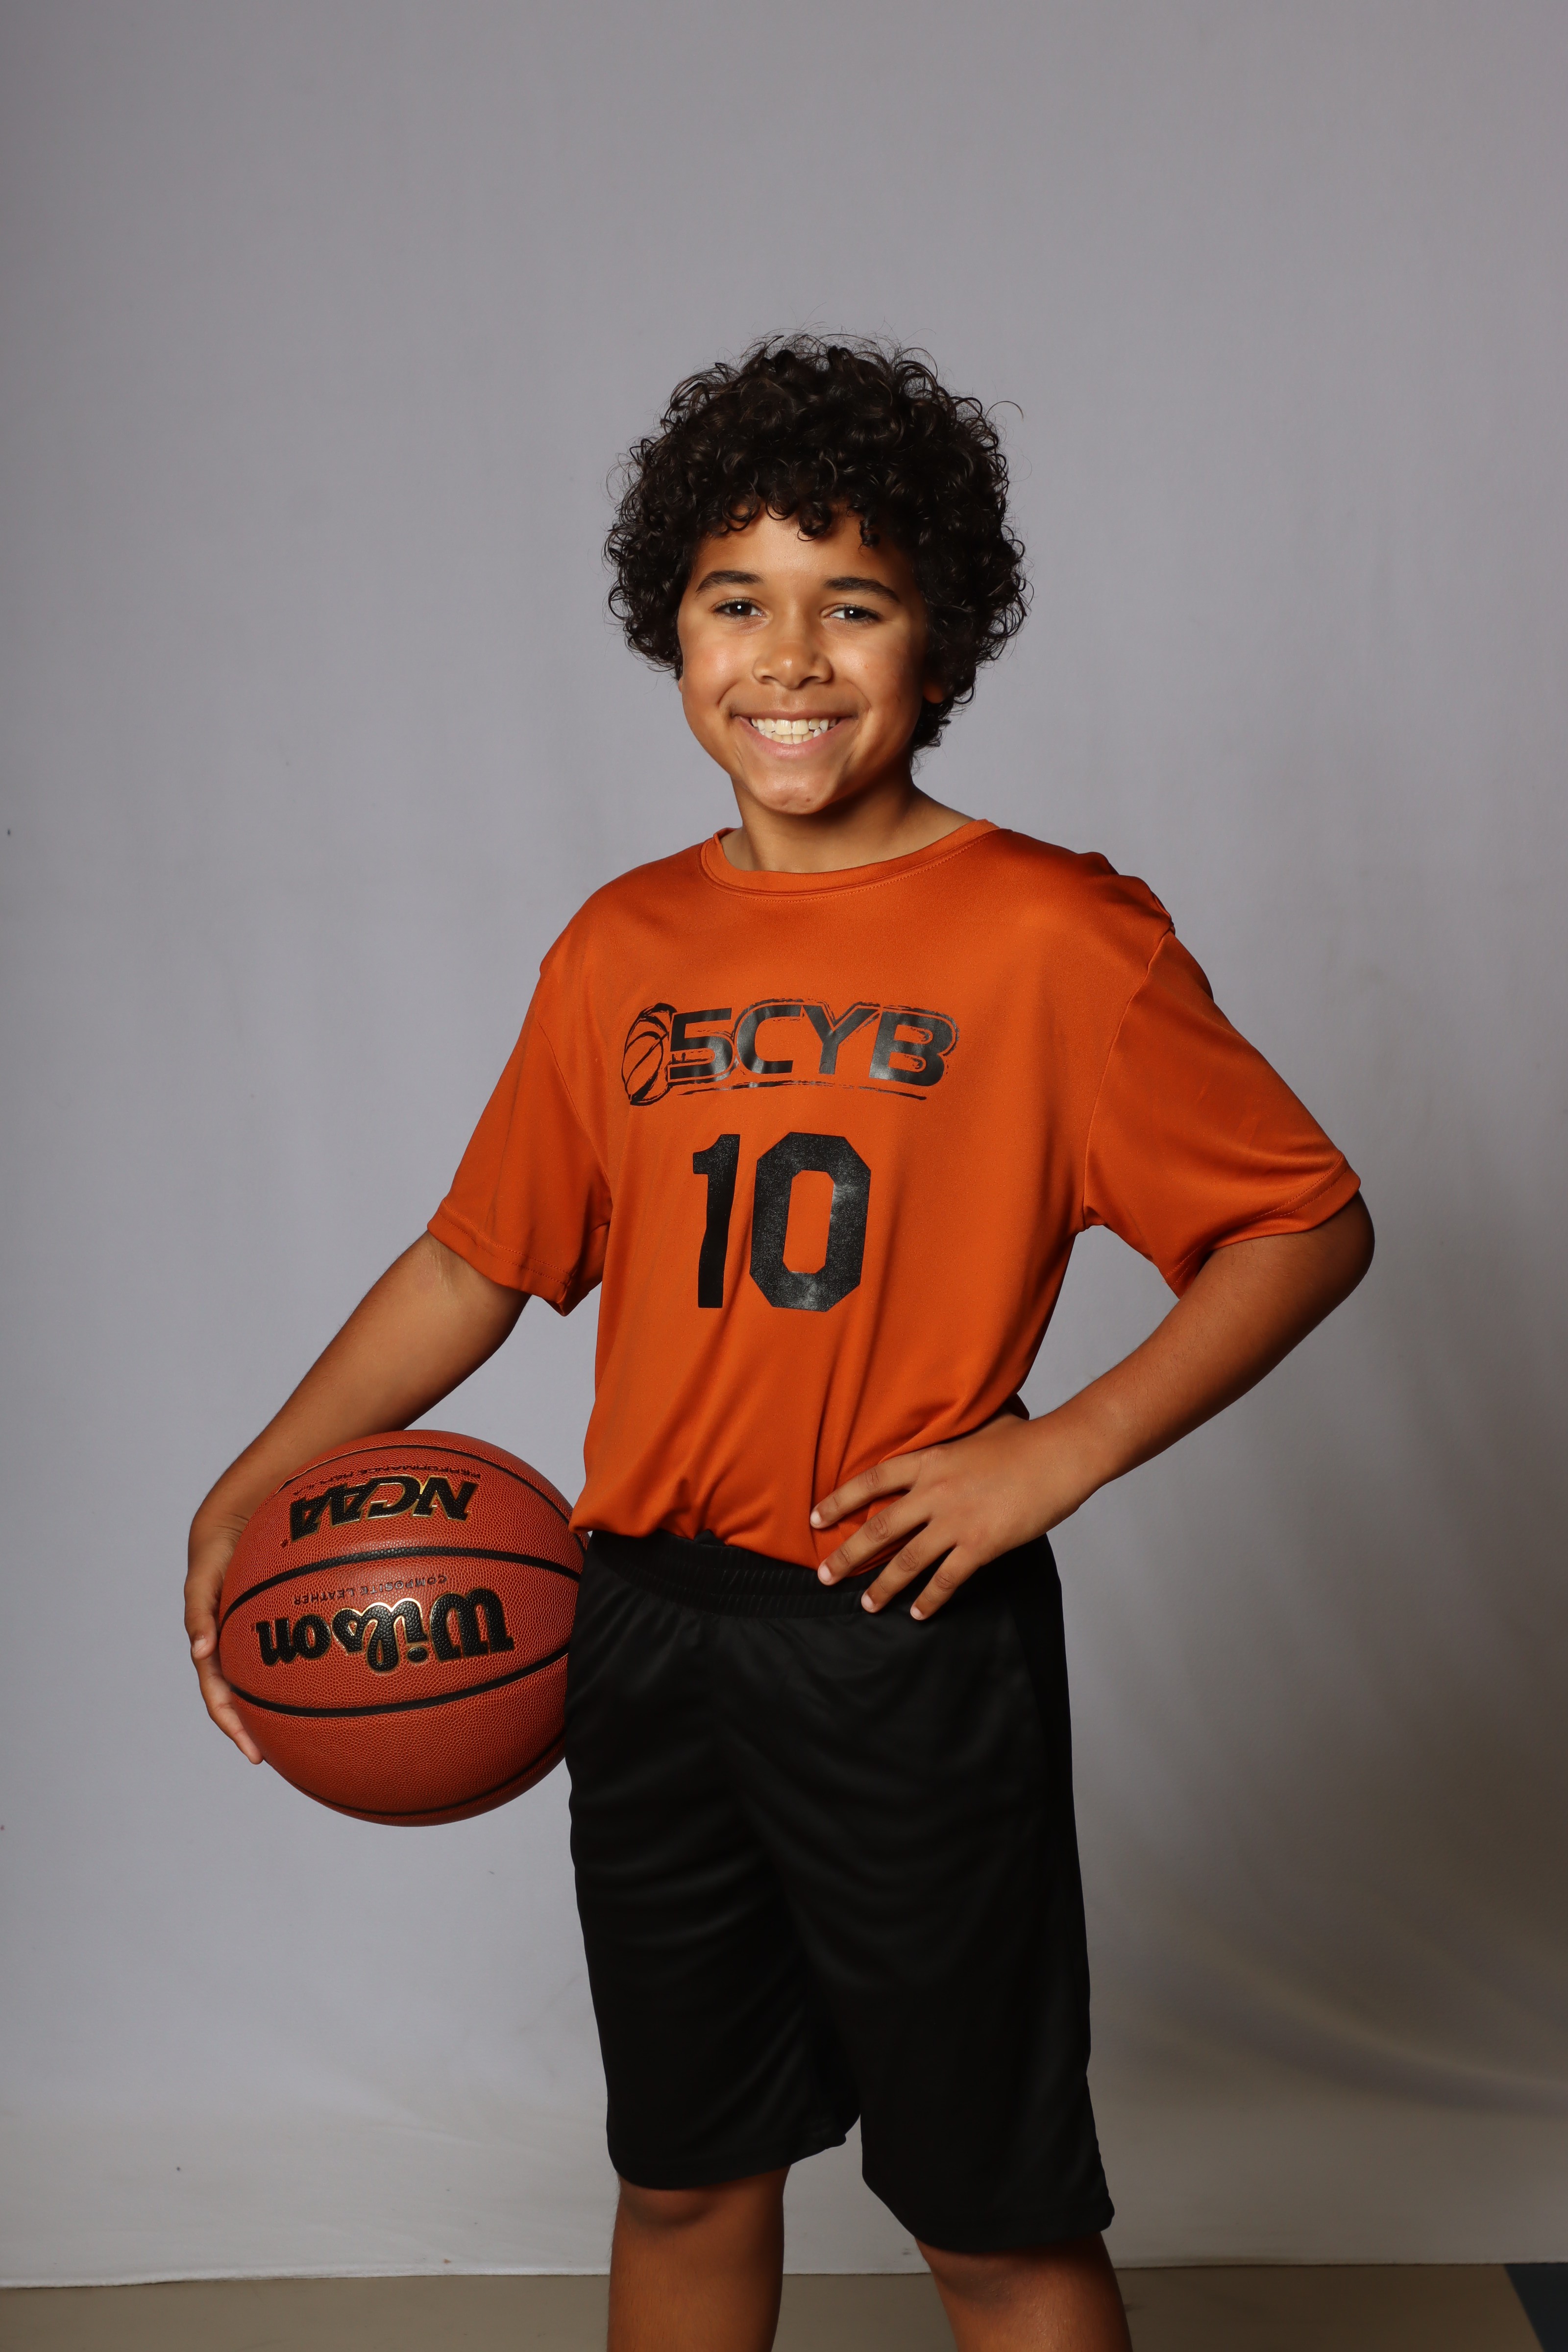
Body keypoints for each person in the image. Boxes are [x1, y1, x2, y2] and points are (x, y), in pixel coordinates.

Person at [186, 338, 1373, 2352]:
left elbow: (1301, 1221)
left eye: (855, 603)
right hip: (639, 1626)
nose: (791, 658)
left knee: (990, 2221)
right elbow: (477, 1260)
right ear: (671, 629)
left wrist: (1058, 1450)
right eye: (736, 600)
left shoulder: (1055, 936)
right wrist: (260, 1477)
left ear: (942, 641)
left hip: (900, 1636)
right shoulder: (621, 946)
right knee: (681, 2173)